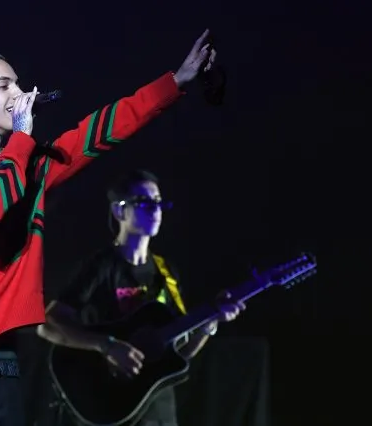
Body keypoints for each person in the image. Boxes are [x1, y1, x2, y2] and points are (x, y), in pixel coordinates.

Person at [0, 30, 218, 426]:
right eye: (5, 85)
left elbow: (98, 132)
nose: (20, 93)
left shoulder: (29, 166)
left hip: (4, 356)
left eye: (18, 83)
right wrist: (22, 138)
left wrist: (174, 82)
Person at [37, 169, 244, 426]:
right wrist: (107, 345)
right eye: (144, 202)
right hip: (108, 404)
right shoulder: (100, 267)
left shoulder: (166, 272)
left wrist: (209, 325)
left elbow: (179, 353)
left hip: (158, 412)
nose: (155, 209)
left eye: (158, 202)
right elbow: (48, 325)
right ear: (119, 211)